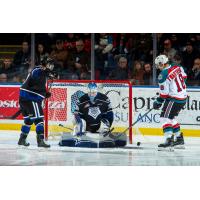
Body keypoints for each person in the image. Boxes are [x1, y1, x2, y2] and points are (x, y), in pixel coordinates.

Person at [17, 57, 57, 148]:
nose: (51, 66)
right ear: (44, 64)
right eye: (49, 64)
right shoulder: (38, 70)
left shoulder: (40, 72)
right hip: (31, 98)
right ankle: (40, 141)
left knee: (28, 120)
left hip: (24, 98)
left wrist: (45, 93)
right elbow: (36, 78)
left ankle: (22, 139)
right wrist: (46, 72)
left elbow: (36, 85)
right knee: (39, 120)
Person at [153, 55, 187, 150]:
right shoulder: (178, 67)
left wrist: (158, 102)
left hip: (174, 99)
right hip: (183, 98)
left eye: (158, 65)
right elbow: (184, 77)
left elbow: (164, 94)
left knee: (164, 118)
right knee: (171, 118)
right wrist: (175, 89)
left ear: (162, 64)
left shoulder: (163, 75)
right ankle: (179, 139)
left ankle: (168, 141)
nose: (158, 67)